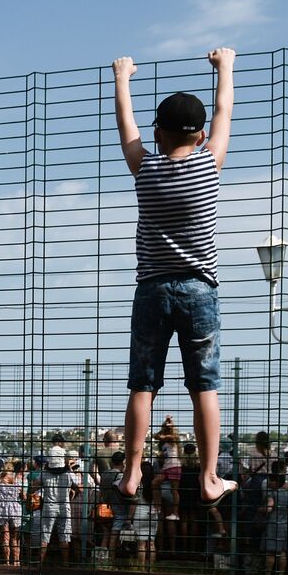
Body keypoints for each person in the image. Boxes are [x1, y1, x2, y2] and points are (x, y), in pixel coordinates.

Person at [111, 48, 238, 510]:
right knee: (204, 385)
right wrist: (225, 67)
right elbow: (224, 110)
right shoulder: (210, 163)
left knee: (143, 385)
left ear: (159, 133)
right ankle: (208, 478)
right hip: (200, 289)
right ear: (201, 134)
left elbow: (127, 125)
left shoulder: (145, 168)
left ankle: (129, 473)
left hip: (152, 288)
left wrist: (123, 77)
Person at [261, 472, 288, 575]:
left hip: (273, 524)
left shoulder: (271, 493)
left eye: (270, 481)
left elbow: (269, 508)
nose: (268, 483)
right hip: (286, 524)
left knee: (271, 551)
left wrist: (261, 509)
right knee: (282, 552)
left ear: (276, 482)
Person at [0, 460, 24, 566]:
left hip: (2, 509)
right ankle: (16, 561)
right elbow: (23, 496)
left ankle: (7, 561)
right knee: (15, 538)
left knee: (5, 536)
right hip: (15, 508)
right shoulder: (18, 481)